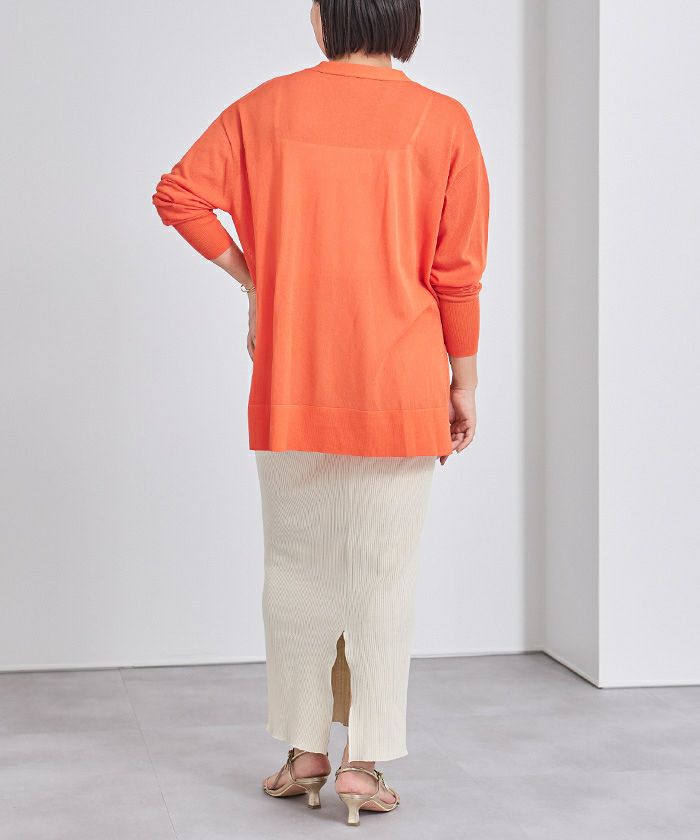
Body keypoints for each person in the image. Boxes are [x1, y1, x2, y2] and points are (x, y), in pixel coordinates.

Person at [152, 0, 489, 827]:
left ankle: (304, 753)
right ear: (407, 21)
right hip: (400, 385)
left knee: (296, 571)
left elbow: (178, 196)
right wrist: (465, 383)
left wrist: (258, 283)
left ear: (320, 19)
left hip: (292, 378)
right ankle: (362, 766)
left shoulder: (265, 107)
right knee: (383, 579)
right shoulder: (443, 120)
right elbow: (457, 272)